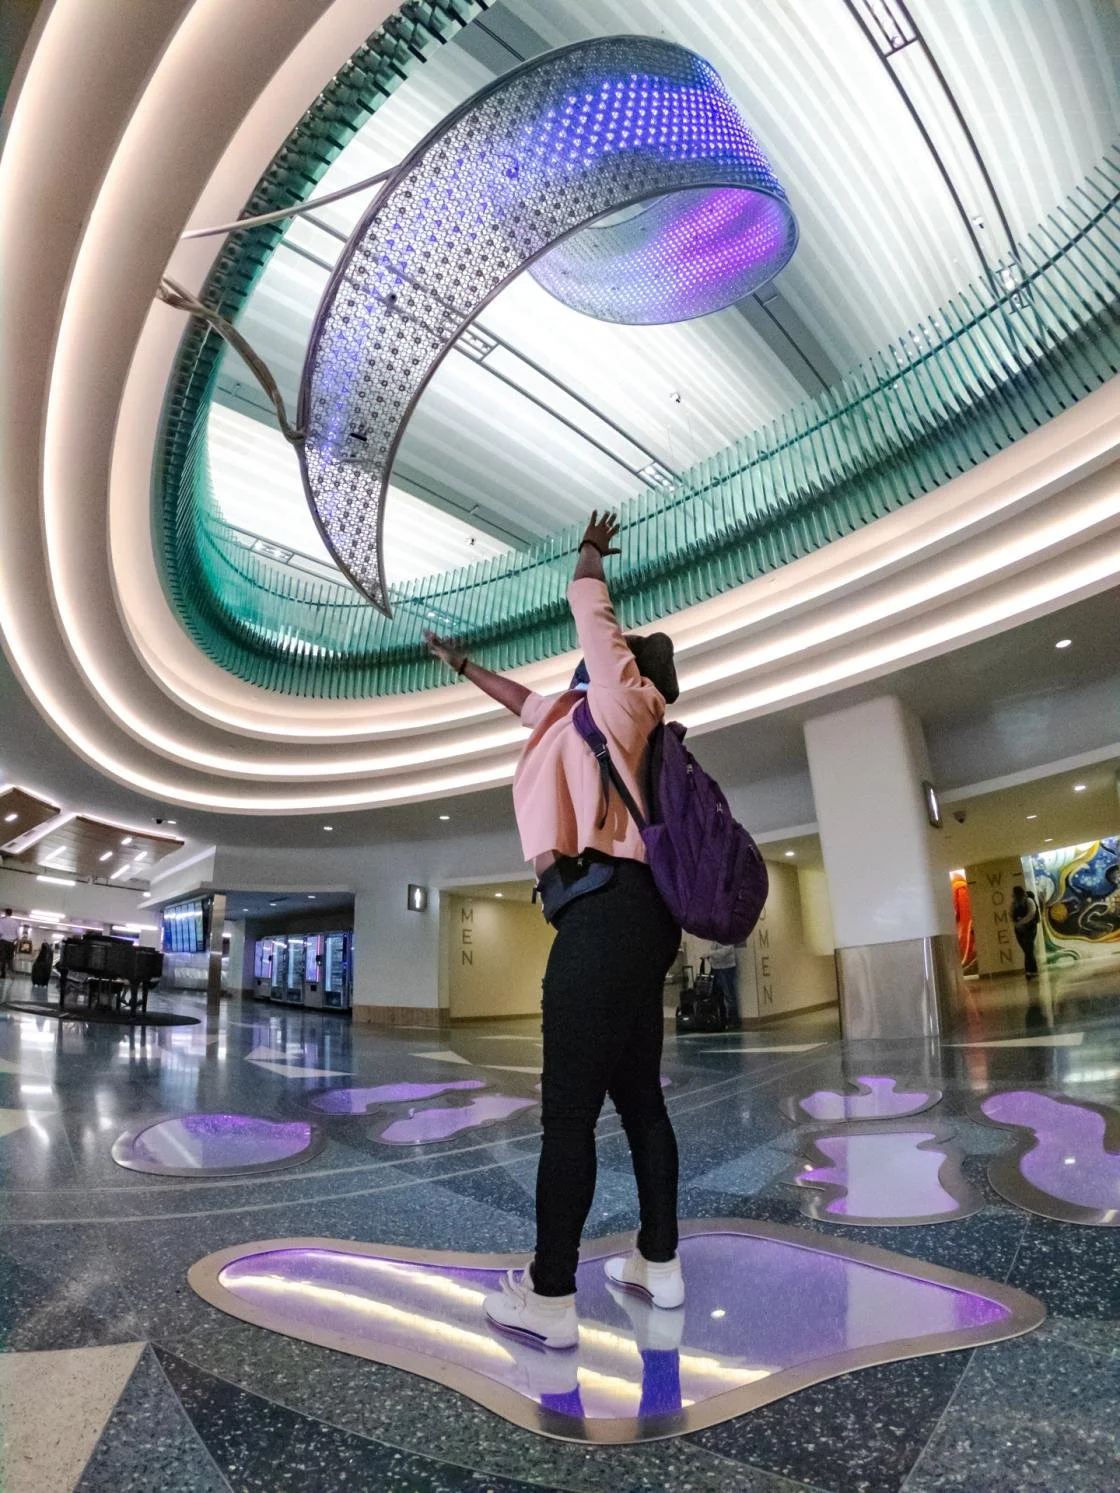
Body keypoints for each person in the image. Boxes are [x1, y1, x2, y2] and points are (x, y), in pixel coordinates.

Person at [426, 511, 684, 1350]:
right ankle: (659, 1264)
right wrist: (465, 666)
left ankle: (548, 1294)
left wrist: (590, 555)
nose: (589, 659)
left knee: (568, 1115)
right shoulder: (585, 718)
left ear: (625, 666)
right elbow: (525, 704)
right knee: (640, 1100)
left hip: (602, 917)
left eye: (607, 653)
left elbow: (588, 608)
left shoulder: (621, 696)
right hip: (642, 919)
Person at [707, 940, 741, 1027]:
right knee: (719, 995)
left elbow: (724, 952)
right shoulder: (717, 937)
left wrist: (710, 954)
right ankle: (722, 1018)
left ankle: (733, 1020)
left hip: (726, 968)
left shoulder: (727, 937)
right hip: (717, 968)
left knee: (729, 994)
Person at [1011, 885, 1041, 979]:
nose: (1012, 896)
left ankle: (1030, 971)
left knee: (1028, 948)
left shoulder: (1029, 901)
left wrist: (1020, 923)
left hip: (1030, 928)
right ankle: (1031, 971)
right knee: (1027, 950)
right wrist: (1017, 924)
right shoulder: (1014, 903)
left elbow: (1031, 914)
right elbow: (1011, 914)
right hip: (1019, 929)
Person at [0, 908, 17, 981]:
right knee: (10, 959)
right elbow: (17, 935)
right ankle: (12, 975)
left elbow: (0, 932)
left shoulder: (2, 920)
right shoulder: (15, 922)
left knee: (1, 959)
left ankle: (3, 974)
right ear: (11, 914)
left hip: (3, 942)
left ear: (5, 913)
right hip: (11, 943)